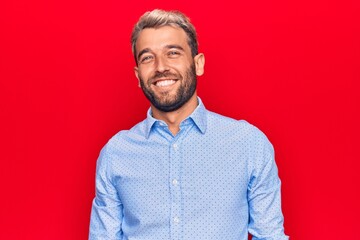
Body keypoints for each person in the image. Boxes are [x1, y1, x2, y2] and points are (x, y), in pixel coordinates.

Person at [89, 9, 289, 240]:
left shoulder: (248, 143)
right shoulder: (115, 153)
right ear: (137, 75)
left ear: (198, 64)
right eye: (147, 57)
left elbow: (270, 235)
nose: (160, 66)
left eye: (173, 53)